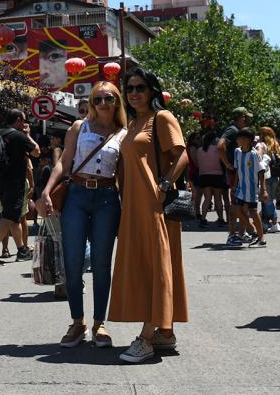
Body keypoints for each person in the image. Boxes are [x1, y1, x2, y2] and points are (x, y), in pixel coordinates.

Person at [38, 81, 127, 349]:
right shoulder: (80, 127)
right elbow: (65, 161)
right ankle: (77, 322)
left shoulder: (124, 133)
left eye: (108, 99)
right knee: (73, 262)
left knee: (101, 264)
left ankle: (100, 323)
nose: (102, 104)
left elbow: (124, 175)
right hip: (76, 195)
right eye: (97, 99)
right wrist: (46, 191)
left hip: (107, 198)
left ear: (117, 102)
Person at [110, 68, 188, 364]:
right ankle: (164, 332)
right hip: (134, 205)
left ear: (152, 90)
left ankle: (145, 337)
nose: (134, 93)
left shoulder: (162, 118)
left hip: (155, 204)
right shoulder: (133, 123)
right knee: (147, 264)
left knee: (154, 266)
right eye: (129, 89)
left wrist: (166, 182)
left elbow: (182, 154)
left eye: (140, 87)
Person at [0, 108, 40, 267]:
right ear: (19, 119)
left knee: (12, 216)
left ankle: (22, 250)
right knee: (8, 216)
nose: (26, 123)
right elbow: (37, 152)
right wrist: (28, 134)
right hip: (15, 182)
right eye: (24, 120)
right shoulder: (19, 136)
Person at [230, 128, 268, 247]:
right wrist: (234, 185)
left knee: (253, 212)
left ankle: (261, 237)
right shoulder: (237, 151)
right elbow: (237, 171)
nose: (237, 140)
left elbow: (261, 172)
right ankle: (252, 229)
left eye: (240, 138)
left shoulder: (254, 154)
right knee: (237, 209)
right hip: (241, 188)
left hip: (252, 189)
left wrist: (264, 189)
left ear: (247, 140)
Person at [191, 131, 226, 228]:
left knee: (207, 199)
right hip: (217, 175)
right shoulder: (217, 149)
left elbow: (198, 163)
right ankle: (221, 219)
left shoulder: (200, 150)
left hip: (204, 176)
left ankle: (203, 219)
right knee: (218, 199)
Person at [260, 127, 280, 228]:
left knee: (268, 199)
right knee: (277, 198)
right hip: (276, 175)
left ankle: (274, 222)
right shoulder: (276, 144)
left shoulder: (263, 145)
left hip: (267, 175)